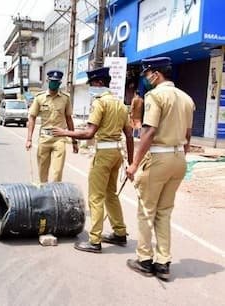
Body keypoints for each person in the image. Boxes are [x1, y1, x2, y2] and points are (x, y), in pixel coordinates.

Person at [126, 57, 195, 281]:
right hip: (178, 159)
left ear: (156, 74)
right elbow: (187, 135)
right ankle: (163, 262)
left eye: (147, 74)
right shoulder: (186, 98)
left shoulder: (155, 96)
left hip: (159, 158)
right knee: (164, 212)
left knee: (147, 211)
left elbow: (148, 132)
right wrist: (180, 156)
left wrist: (134, 163)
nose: (146, 78)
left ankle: (144, 260)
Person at [53, 67, 134, 253]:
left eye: (91, 85)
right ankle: (120, 232)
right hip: (117, 154)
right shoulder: (120, 104)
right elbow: (129, 136)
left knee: (96, 197)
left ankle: (95, 240)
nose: (91, 88)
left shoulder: (100, 104)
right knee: (111, 194)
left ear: (98, 83)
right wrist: (130, 161)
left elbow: (89, 132)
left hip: (104, 154)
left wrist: (66, 132)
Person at [26, 70, 79, 183]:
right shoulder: (40, 98)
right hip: (44, 139)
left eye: (56, 82)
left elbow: (69, 119)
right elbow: (32, 117)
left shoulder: (65, 98)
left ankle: (55, 197)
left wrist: (74, 141)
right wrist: (29, 139)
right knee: (42, 174)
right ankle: (44, 195)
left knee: (57, 173)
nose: (54, 83)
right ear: (47, 81)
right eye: (52, 81)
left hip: (59, 139)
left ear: (60, 83)